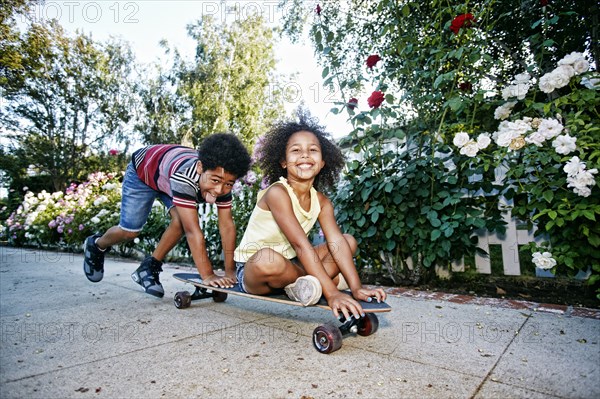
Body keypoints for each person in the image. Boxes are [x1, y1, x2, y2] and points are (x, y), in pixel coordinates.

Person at [233, 114, 386, 320]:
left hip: (293, 264)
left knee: (347, 241)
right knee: (267, 259)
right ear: (283, 162)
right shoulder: (277, 193)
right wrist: (332, 293)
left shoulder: (322, 202)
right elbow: (300, 244)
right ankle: (321, 282)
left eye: (312, 150)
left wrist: (356, 287)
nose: (305, 155)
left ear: (322, 163)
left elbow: (336, 242)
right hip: (254, 270)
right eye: (296, 150)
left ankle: (309, 285)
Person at [83, 133, 252, 298]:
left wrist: (230, 271)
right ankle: (96, 244)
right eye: (215, 181)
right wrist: (208, 275)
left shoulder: (221, 180)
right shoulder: (185, 178)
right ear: (200, 168)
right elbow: (192, 231)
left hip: (167, 173)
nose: (219, 190)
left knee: (179, 221)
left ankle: (148, 268)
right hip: (143, 172)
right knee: (130, 231)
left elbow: (227, 227)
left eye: (228, 184)